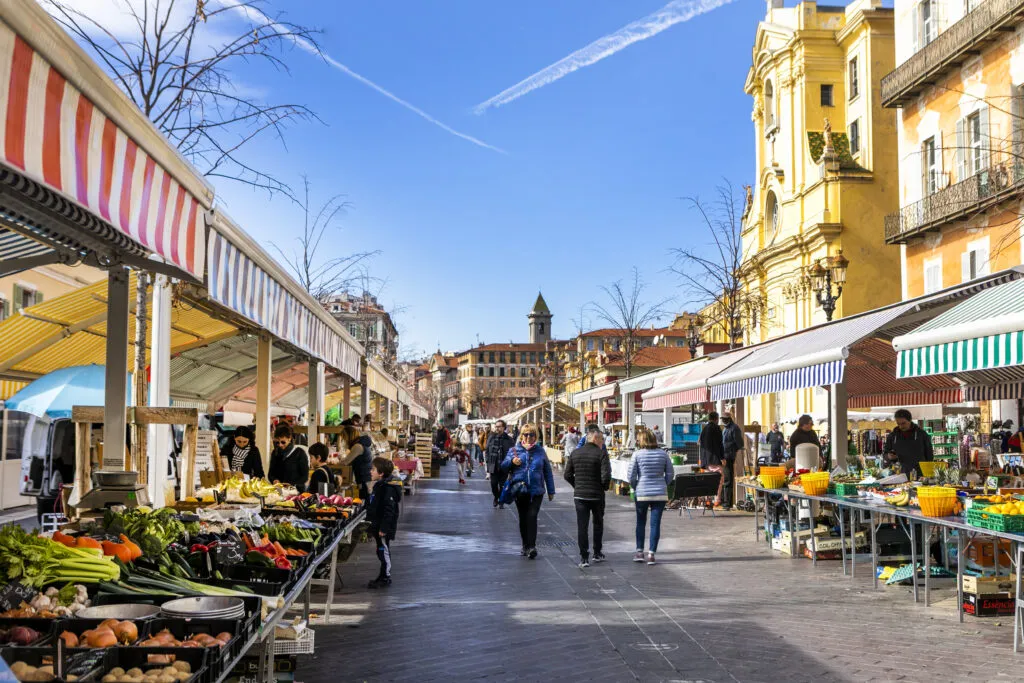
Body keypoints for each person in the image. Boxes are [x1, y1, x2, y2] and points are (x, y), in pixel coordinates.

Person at [501, 424, 556, 559]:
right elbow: (503, 466)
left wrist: (551, 490)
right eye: (526, 434)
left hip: (537, 490)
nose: (529, 437)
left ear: (535, 436)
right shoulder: (514, 450)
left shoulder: (540, 451)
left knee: (532, 516)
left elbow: (547, 471)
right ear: (522, 436)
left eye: (531, 435)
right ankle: (525, 545)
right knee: (523, 517)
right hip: (520, 490)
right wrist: (512, 462)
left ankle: (532, 546)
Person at [564, 428, 611, 568]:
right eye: (601, 439)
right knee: (598, 523)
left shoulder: (575, 453)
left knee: (582, 526)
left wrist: (577, 485)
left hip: (580, 495)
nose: (603, 442)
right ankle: (597, 552)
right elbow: (606, 475)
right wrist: (604, 487)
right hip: (597, 495)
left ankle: (584, 557)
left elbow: (567, 475)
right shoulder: (601, 453)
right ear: (595, 439)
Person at [628, 427, 674, 566]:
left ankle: (639, 552)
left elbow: (631, 475)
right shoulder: (663, 454)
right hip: (659, 493)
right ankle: (652, 554)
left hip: (642, 492)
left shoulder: (637, 455)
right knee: (655, 524)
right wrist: (663, 484)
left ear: (641, 440)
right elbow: (670, 474)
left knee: (640, 522)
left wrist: (636, 486)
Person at [366, 456, 402, 588]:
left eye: (373, 469)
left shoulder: (387, 489)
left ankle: (386, 576)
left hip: (382, 527)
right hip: (378, 525)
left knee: (383, 550)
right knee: (380, 550)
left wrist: (384, 528)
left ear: (381, 473)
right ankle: (382, 575)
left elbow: (389, 510)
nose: (371, 471)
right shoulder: (380, 486)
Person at [884, 409, 934, 478]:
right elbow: (885, 454)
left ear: (910, 420)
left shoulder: (922, 435)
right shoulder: (892, 436)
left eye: (903, 423)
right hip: (898, 475)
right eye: (898, 424)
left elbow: (929, 455)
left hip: (919, 475)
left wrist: (928, 473)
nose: (901, 426)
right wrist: (889, 456)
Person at [267, 424, 309, 491]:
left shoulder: (300, 453)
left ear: (289, 438)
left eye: (283, 442)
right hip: (279, 491)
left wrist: (291, 485)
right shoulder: (275, 453)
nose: (280, 445)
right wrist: (274, 480)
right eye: (277, 442)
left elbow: (305, 476)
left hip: (296, 492)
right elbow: (271, 474)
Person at [486, 420, 515, 508]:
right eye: (496, 426)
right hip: (493, 465)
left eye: (499, 426)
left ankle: (501, 501)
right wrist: (487, 460)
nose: (497, 428)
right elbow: (487, 450)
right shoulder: (491, 437)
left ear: (503, 427)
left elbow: (512, 453)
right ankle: (496, 497)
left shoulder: (509, 439)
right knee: (493, 484)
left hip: (504, 466)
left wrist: (511, 466)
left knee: (502, 485)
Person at [339, 425, 373, 500]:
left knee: (364, 501)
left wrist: (337, 461)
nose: (344, 440)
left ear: (349, 436)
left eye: (344, 437)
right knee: (365, 500)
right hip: (366, 477)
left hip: (364, 479)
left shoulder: (357, 446)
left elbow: (345, 462)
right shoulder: (360, 444)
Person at [698, 412, 725, 505]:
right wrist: (722, 457)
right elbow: (719, 444)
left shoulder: (704, 429)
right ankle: (717, 500)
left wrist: (702, 460)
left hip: (706, 460)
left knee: (708, 480)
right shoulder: (716, 428)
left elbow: (700, 444)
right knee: (719, 480)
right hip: (715, 459)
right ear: (716, 419)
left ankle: (707, 499)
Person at [720, 411, 743, 511]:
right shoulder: (726, 428)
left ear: (729, 419)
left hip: (729, 457)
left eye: (725, 419)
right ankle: (724, 501)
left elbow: (740, 443)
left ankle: (727, 503)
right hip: (724, 456)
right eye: (722, 419)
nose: (723, 420)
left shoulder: (734, 428)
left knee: (728, 480)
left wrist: (733, 451)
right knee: (725, 479)